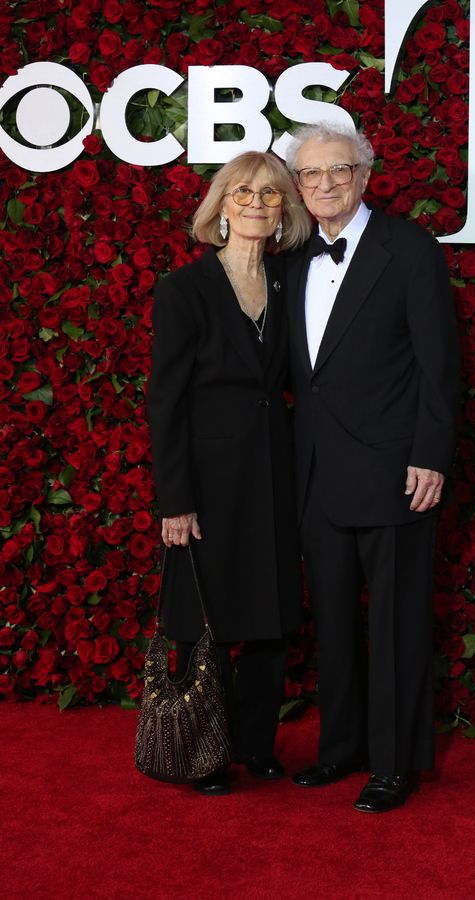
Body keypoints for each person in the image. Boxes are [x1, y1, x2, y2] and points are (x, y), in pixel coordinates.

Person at [284, 123, 460, 813]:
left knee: (395, 625)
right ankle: (342, 750)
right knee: (332, 622)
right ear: (299, 185)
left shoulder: (409, 250)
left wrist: (430, 455)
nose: (324, 184)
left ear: (364, 174)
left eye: (338, 171)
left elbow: (439, 366)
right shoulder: (294, 253)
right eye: (310, 175)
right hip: (318, 474)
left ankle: (394, 764)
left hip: (395, 472)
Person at [146, 151, 312, 795]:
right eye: (242, 192)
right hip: (208, 483)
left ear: (283, 214)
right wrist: (175, 500)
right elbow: (166, 401)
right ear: (220, 206)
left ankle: (256, 745)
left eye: (270, 195)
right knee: (204, 617)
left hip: (274, 470)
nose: (256, 204)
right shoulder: (183, 289)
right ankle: (201, 750)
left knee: (270, 612)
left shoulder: (287, 281)